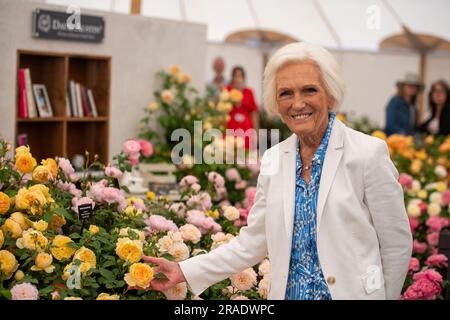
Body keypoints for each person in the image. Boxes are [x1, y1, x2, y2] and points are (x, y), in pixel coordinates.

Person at [132, 42, 412, 300]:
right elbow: (252, 243)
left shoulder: (367, 153)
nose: (297, 103)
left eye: (309, 90)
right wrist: (184, 270)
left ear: (330, 95)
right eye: (285, 93)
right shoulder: (274, 158)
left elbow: (396, 245)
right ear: (276, 103)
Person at [225, 66, 259, 149]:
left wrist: (256, 132)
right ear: (232, 78)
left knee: (246, 152)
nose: (238, 78)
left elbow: (254, 113)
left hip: (246, 127)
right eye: (236, 76)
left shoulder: (249, 92)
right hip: (231, 125)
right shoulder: (227, 90)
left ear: (244, 78)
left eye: (240, 76)